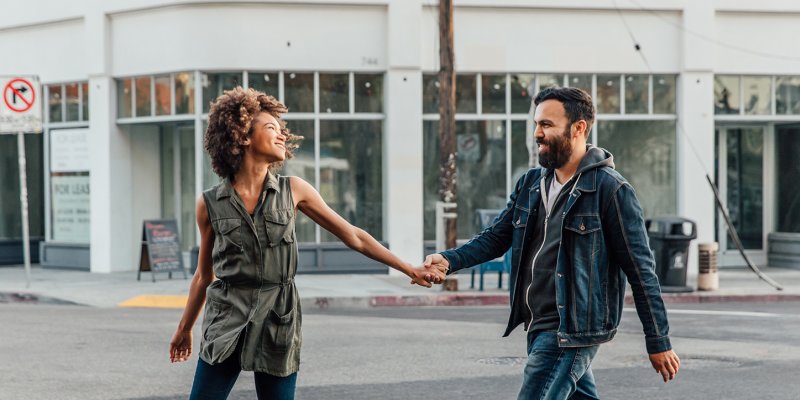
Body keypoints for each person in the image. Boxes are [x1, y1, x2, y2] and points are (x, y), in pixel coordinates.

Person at [168, 87, 446, 400]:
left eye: (281, 129)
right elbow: (204, 276)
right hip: (227, 317)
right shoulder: (208, 204)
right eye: (271, 128)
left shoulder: (295, 190)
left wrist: (408, 268)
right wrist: (185, 328)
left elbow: (352, 235)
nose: (281, 136)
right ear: (242, 136)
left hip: (279, 317)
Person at [424, 87, 680, 399]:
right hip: (537, 324)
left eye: (547, 125)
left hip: (571, 330)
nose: (537, 133)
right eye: (536, 124)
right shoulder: (531, 184)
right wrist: (449, 260)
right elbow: (496, 237)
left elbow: (641, 271)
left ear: (579, 128)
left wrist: (658, 339)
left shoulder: (610, 190)